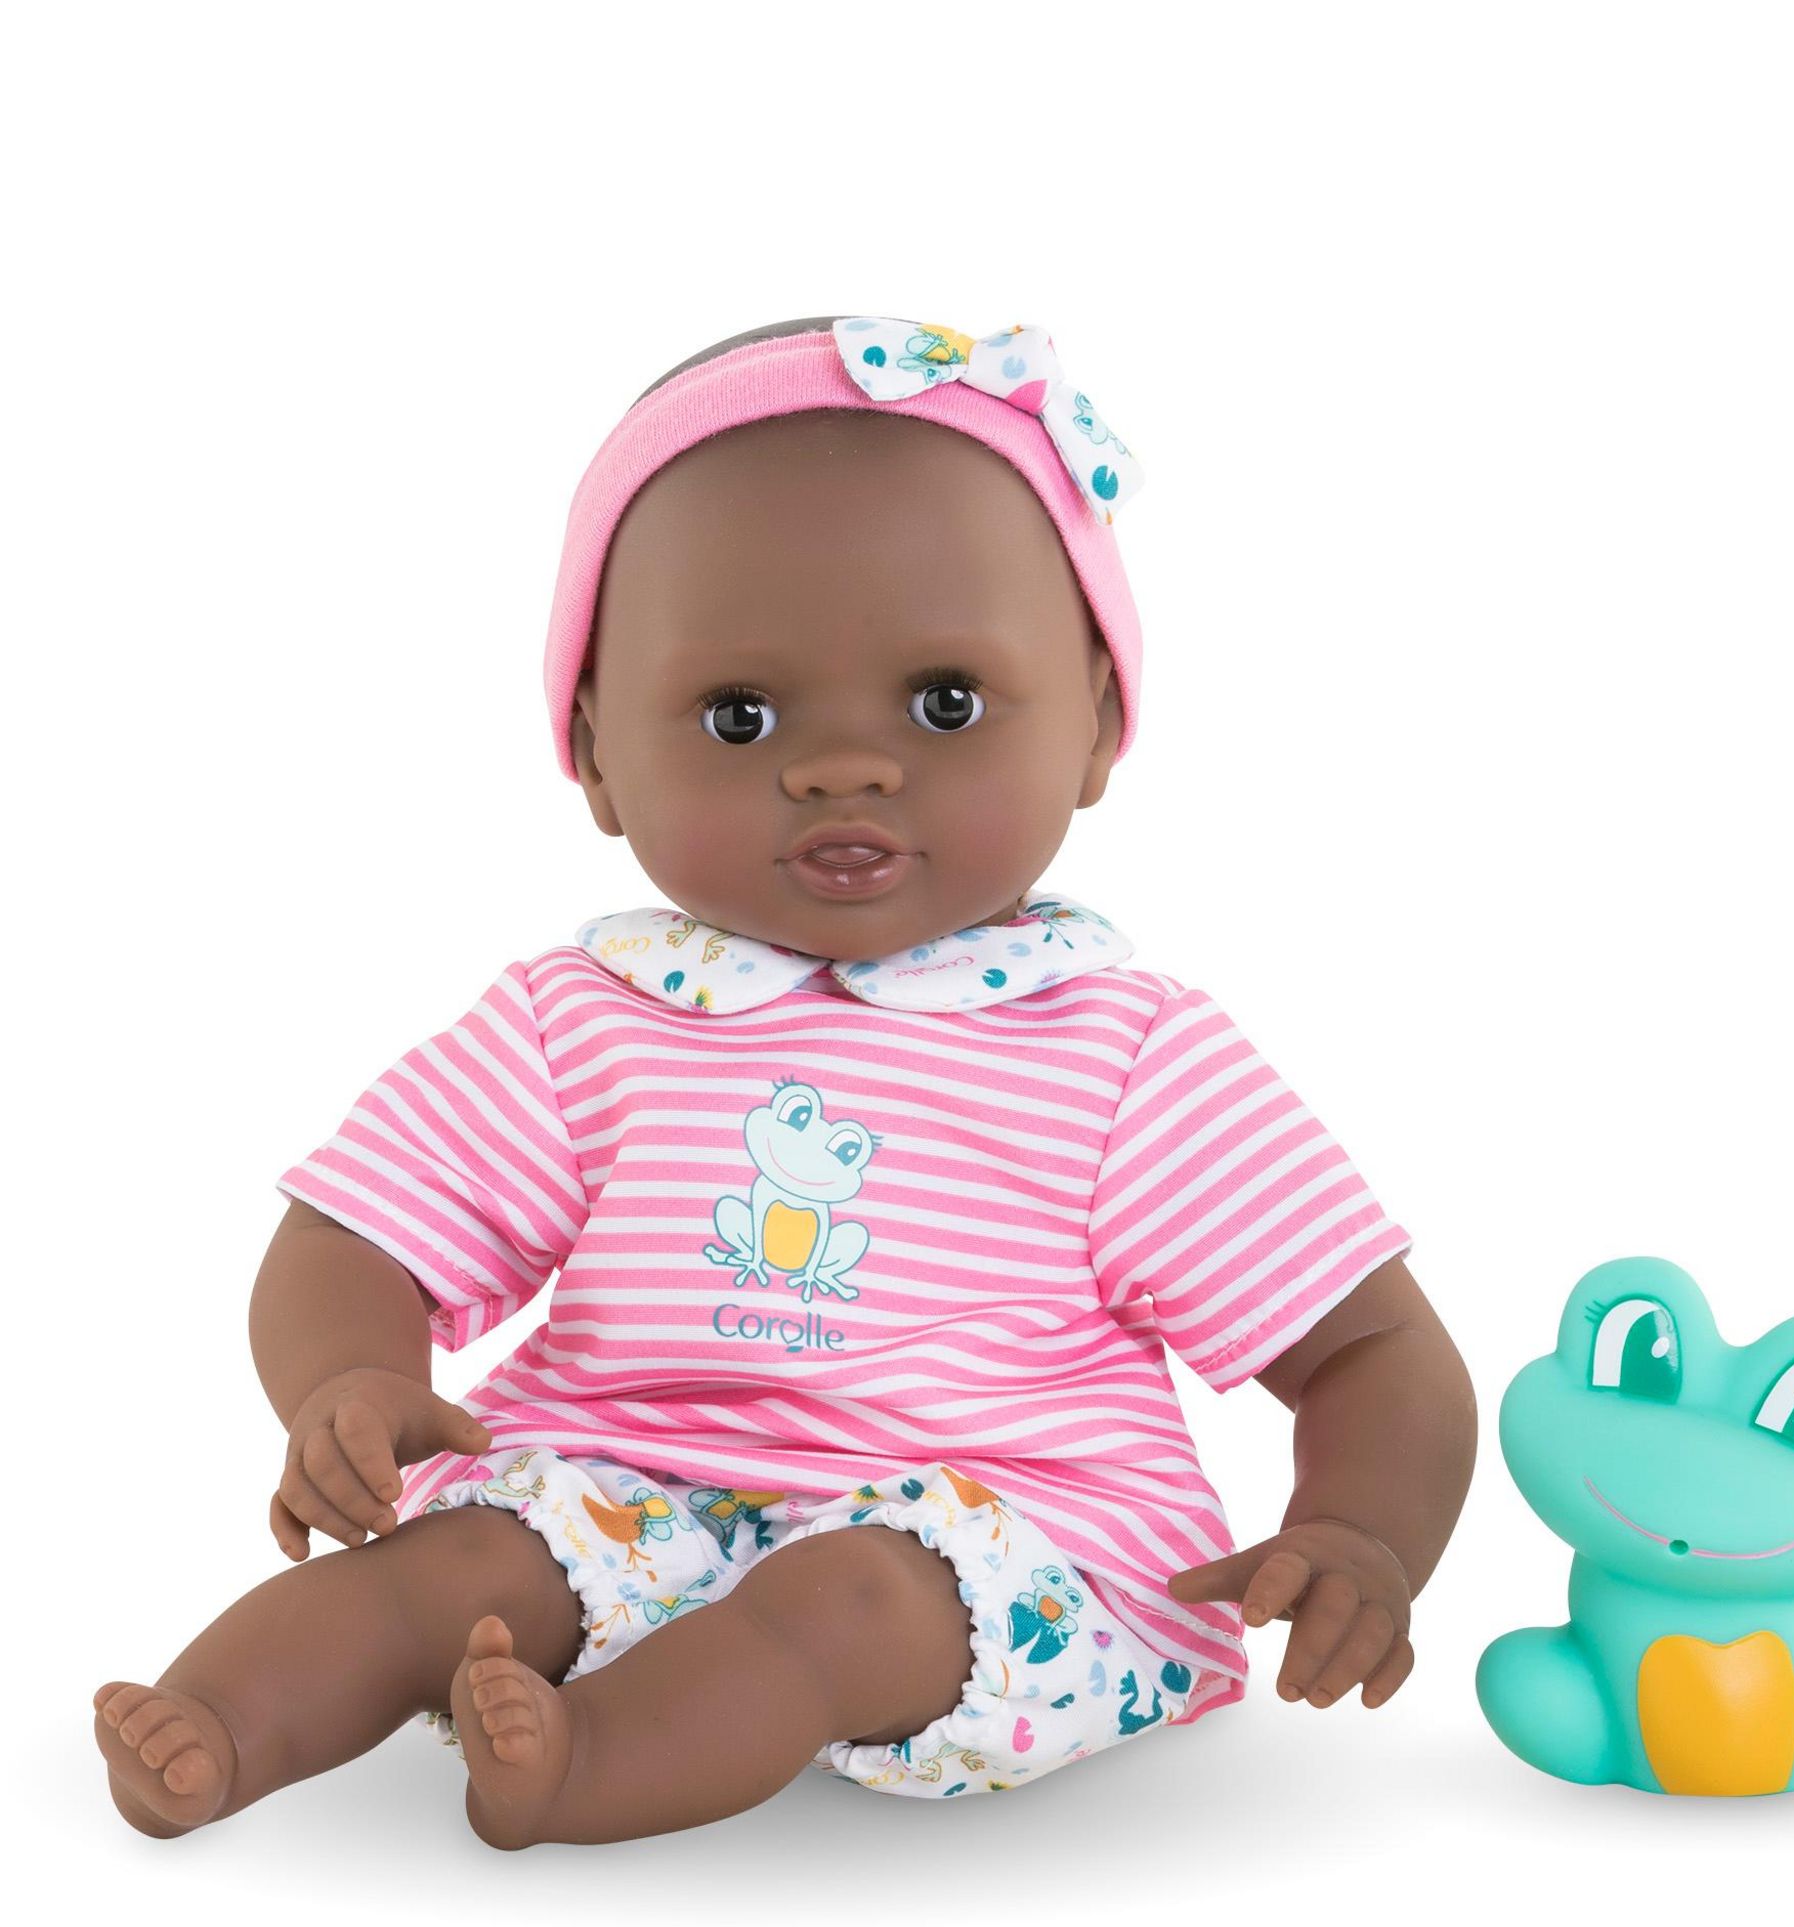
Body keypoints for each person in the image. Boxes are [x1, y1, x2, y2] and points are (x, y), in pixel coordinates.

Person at [93, 315, 1477, 1846]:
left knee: (850, 1600)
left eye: (944, 701)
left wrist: (1359, 1533)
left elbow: (1369, 1348)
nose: (841, 767)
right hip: (632, 1495)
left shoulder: (1122, 1053)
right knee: (455, 1569)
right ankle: (221, 1727)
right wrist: (349, 1383)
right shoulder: (589, 1019)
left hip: (1001, 1545)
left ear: (1097, 720)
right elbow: (359, 1234)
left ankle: (584, 1768)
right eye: (740, 717)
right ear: (595, 754)